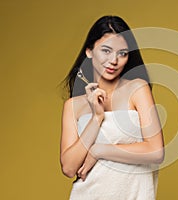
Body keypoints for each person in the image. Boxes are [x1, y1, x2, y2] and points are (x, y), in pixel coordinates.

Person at [60, 15, 164, 200]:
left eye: (122, 53)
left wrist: (99, 150)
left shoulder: (137, 89)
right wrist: (96, 118)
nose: (114, 60)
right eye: (106, 51)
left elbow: (156, 151)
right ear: (89, 52)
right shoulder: (73, 106)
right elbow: (69, 168)